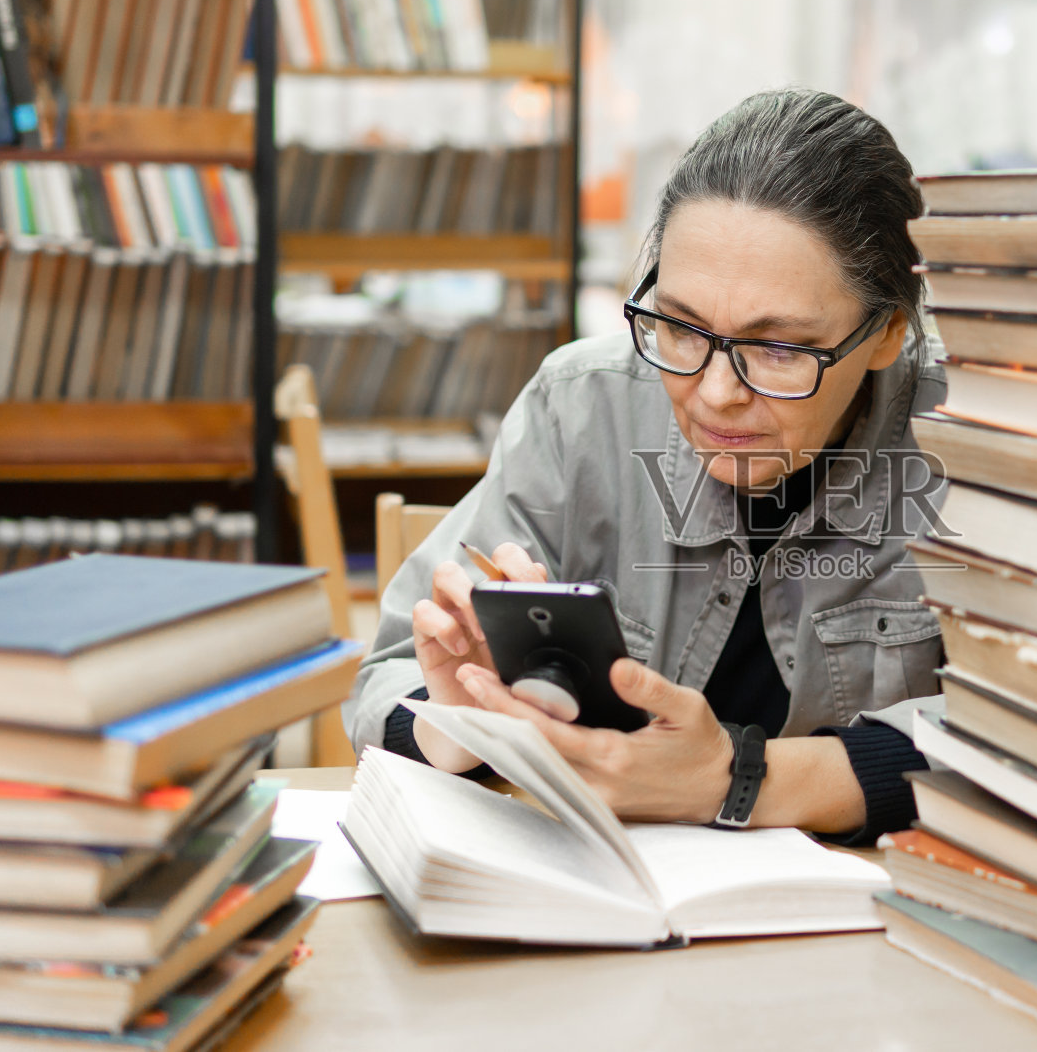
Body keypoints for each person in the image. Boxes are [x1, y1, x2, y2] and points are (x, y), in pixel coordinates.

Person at [345, 88, 948, 843]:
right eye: (680, 327)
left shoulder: (986, 447)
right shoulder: (583, 405)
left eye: (780, 349)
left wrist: (734, 782)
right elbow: (384, 683)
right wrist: (461, 723)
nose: (716, 394)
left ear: (890, 330)